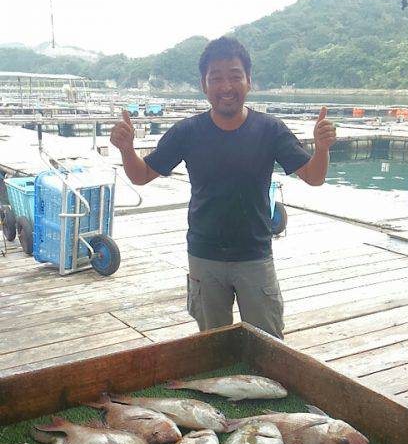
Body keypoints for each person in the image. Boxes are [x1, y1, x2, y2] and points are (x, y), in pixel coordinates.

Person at [110, 36, 336, 339]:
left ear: (249, 81)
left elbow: (313, 176)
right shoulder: (187, 132)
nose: (226, 86)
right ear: (204, 85)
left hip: (254, 255)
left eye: (234, 76)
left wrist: (322, 149)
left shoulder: (270, 130)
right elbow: (142, 174)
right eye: (216, 78)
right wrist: (126, 149)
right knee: (211, 346)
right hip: (205, 257)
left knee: (269, 344)